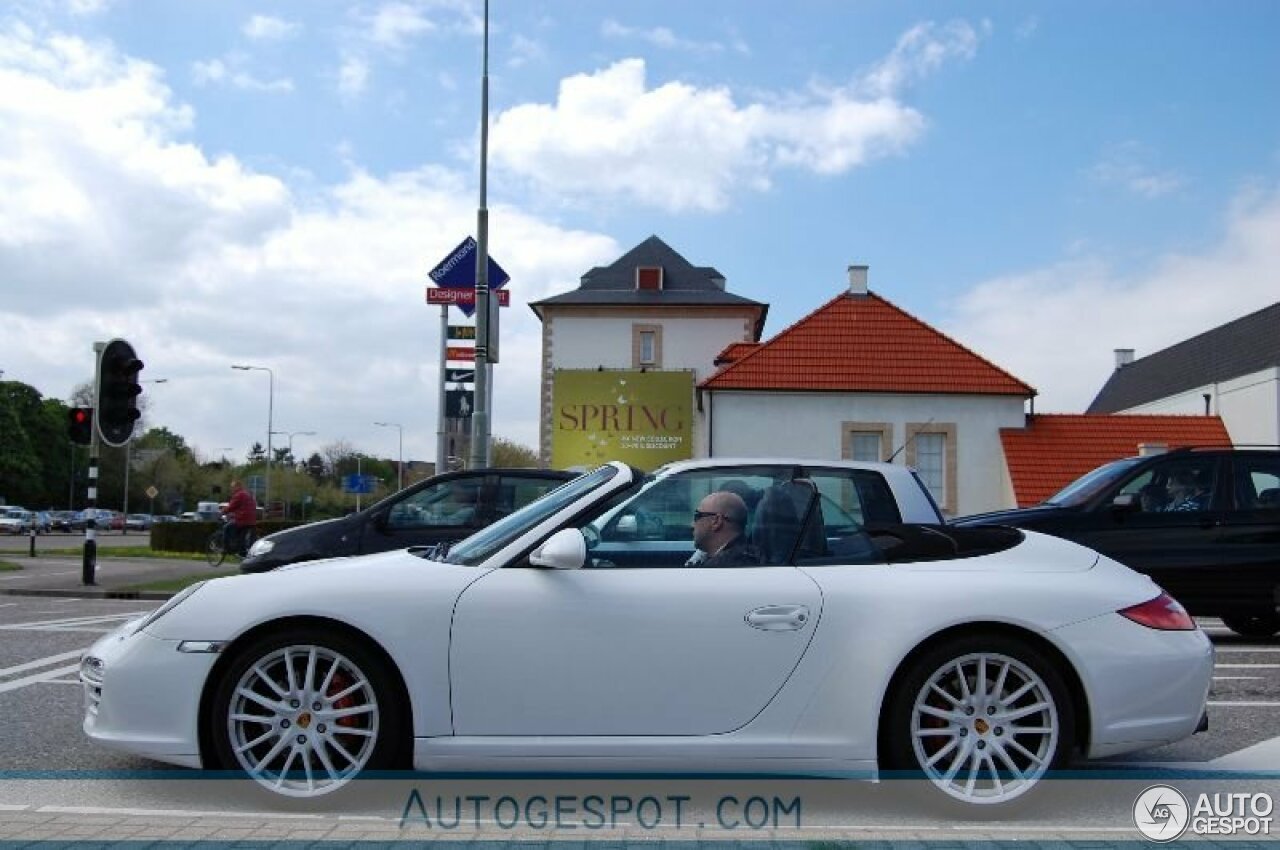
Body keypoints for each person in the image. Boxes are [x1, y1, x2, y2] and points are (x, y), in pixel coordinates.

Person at [688, 490, 763, 568]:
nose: (692, 525)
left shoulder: (721, 568)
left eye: (697, 516)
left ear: (716, 521)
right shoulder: (745, 556)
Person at [220, 479, 258, 556]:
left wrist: (221, 512)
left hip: (242, 520)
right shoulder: (248, 494)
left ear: (237, 486)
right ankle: (242, 552)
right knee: (241, 536)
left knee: (226, 528)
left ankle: (226, 549)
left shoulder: (238, 495)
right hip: (251, 520)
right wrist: (233, 514)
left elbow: (231, 507)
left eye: (233, 487)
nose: (232, 489)